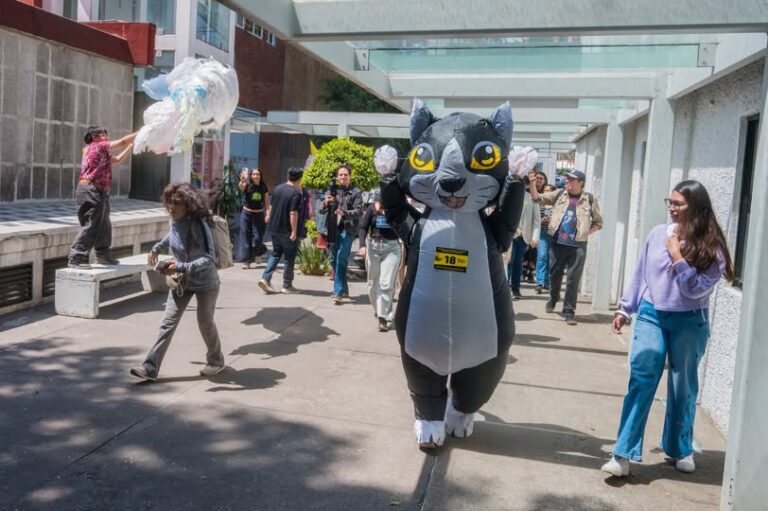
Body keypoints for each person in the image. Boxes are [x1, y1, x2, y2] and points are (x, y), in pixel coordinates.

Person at [601, 180, 734, 477]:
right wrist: (626, 307)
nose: (671, 209)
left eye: (678, 204)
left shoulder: (712, 248)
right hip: (651, 314)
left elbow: (695, 291)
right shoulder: (656, 234)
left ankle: (679, 448)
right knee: (641, 379)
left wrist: (677, 255)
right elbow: (642, 275)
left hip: (690, 320)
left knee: (682, 386)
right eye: (670, 202)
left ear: (696, 207)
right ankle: (622, 454)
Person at [130, 183, 225, 382]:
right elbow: (172, 235)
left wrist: (182, 266)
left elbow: (209, 258)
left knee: (205, 322)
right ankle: (150, 367)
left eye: (176, 204)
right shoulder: (174, 220)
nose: (171, 208)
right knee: (167, 323)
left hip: (206, 283)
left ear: (188, 206)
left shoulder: (199, 225)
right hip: (182, 282)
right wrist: (156, 248)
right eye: (169, 204)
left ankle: (216, 360)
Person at [529, 169, 603, 325]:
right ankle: (554, 297)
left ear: (580, 182)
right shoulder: (559, 194)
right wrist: (532, 183)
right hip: (557, 243)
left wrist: (585, 233)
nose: (567, 181)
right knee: (554, 275)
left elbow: (598, 222)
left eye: (571, 179)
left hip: (578, 246)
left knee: (572, 279)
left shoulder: (589, 199)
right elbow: (537, 198)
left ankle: (569, 312)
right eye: (567, 178)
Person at [68, 126, 135, 268]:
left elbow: (116, 159)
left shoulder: (98, 151)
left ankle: (103, 254)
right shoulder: (96, 146)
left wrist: (130, 147)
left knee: (104, 224)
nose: (107, 138)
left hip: (98, 192)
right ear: (94, 136)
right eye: (104, 135)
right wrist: (143, 132)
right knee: (91, 224)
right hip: (90, 190)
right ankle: (77, 257)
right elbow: (122, 141)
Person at [320, 164, 363, 305]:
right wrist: (325, 203)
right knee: (333, 258)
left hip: (347, 229)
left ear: (350, 176)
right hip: (332, 228)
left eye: (346, 175)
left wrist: (345, 213)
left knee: (340, 258)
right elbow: (321, 210)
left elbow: (359, 211)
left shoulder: (356, 192)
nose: (343, 177)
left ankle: (337, 292)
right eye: (341, 175)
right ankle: (344, 287)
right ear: (337, 177)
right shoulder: (332, 190)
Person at [359, 193, 402, 331]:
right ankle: (379, 309)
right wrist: (362, 245)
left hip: (392, 248)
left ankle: (384, 317)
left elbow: (403, 226)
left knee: (386, 284)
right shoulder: (371, 208)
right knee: (372, 284)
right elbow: (363, 227)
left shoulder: (397, 208)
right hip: (373, 247)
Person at [258, 167, 303, 295]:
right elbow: (293, 213)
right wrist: (294, 231)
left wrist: (269, 217)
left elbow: (271, 206)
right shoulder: (295, 193)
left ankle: (265, 278)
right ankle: (287, 285)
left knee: (276, 253)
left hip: (274, 227)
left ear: (288, 176)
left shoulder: (278, 189)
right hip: (286, 229)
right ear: (299, 178)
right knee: (289, 256)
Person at [507, 175, 541, 299]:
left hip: (523, 236)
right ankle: (505, 287)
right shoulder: (508, 196)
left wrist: (535, 237)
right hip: (509, 234)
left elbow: (537, 220)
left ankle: (516, 288)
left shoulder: (532, 199)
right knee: (508, 262)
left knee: (518, 262)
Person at [238, 167, 270, 269]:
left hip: (259, 215)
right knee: (246, 238)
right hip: (246, 213)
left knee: (257, 238)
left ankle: (259, 252)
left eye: (258, 174)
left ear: (260, 176)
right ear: (251, 176)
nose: (256, 176)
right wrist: (242, 180)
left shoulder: (263, 187)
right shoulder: (247, 185)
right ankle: (247, 261)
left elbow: (266, 203)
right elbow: (241, 187)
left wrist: (268, 214)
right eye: (254, 174)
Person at [535, 183, 557, 294]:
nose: (546, 192)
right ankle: (539, 283)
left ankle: (548, 282)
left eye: (549, 190)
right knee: (542, 256)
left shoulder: (557, 204)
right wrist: (541, 220)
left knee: (551, 258)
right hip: (542, 233)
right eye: (545, 190)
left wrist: (552, 219)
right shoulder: (540, 204)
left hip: (554, 234)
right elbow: (534, 219)